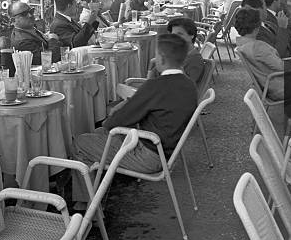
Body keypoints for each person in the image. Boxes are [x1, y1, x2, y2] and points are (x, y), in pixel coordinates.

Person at [73, 34, 198, 201]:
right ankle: (98, 196)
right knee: (99, 134)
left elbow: (115, 122)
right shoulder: (189, 85)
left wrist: (109, 119)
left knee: (80, 142)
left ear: (160, 58)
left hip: (149, 156)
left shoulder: (156, 86)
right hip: (169, 150)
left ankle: (89, 208)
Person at [234, 8, 290, 101]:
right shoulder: (258, 47)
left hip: (269, 86)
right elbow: (281, 67)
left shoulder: (242, 46)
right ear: (257, 27)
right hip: (281, 87)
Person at [148, 17, 204, 84]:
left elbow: (187, 87)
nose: (175, 38)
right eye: (173, 35)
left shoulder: (195, 59)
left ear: (192, 35)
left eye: (180, 34)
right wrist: (151, 68)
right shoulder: (174, 55)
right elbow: (151, 79)